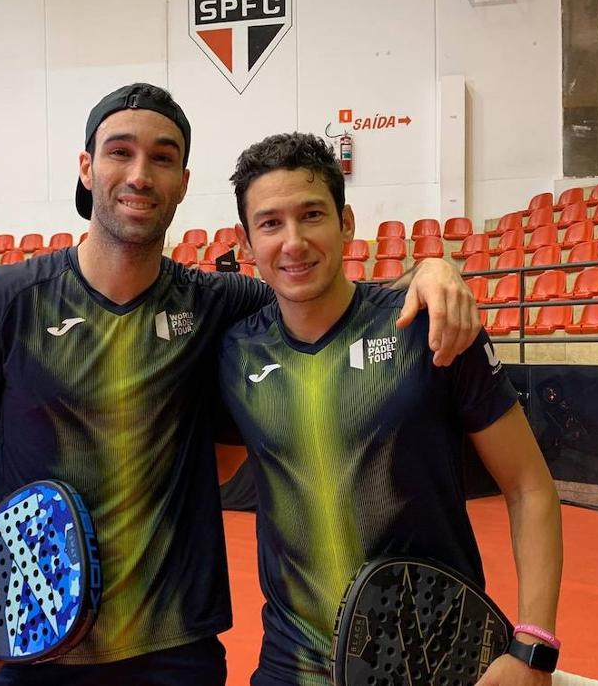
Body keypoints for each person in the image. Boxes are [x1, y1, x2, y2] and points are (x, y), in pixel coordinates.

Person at [0, 83, 481, 686]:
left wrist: (434, 267)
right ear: (86, 167)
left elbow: (333, 298)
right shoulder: (8, 303)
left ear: (182, 180)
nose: (140, 174)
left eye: (163, 157)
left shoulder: (220, 306)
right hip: (35, 645)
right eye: (119, 152)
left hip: (176, 654)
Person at [219, 132, 563, 686]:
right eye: (270, 223)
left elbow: (528, 486)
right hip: (290, 668)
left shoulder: (431, 327)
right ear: (245, 240)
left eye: (312, 215)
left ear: (346, 222)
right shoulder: (234, 352)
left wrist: (534, 648)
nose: (294, 241)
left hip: (433, 663)